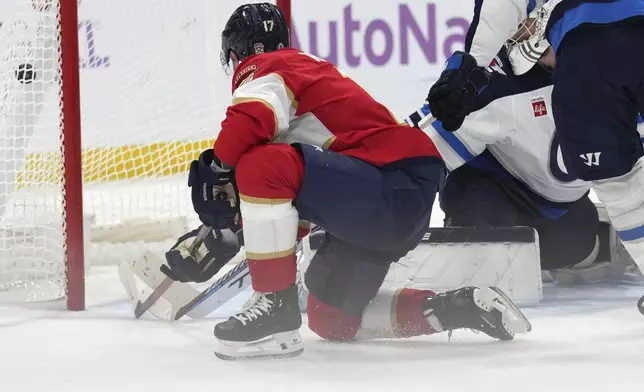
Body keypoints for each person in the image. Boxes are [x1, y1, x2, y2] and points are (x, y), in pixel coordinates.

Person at [160, 3, 531, 360]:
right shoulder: (305, 92)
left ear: (240, 52)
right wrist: (230, 235)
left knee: (258, 165)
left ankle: (274, 307)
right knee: (331, 317)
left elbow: (253, 117)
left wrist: (218, 166)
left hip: (390, 184)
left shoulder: (274, 65)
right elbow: (288, 215)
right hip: (390, 204)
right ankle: (454, 308)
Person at [425, 0, 644, 288]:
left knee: (576, 241)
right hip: (492, 190)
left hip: (563, 210)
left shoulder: (599, 62)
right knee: (479, 226)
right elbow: (423, 153)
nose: (523, 34)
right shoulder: (498, 84)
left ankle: (600, 237)